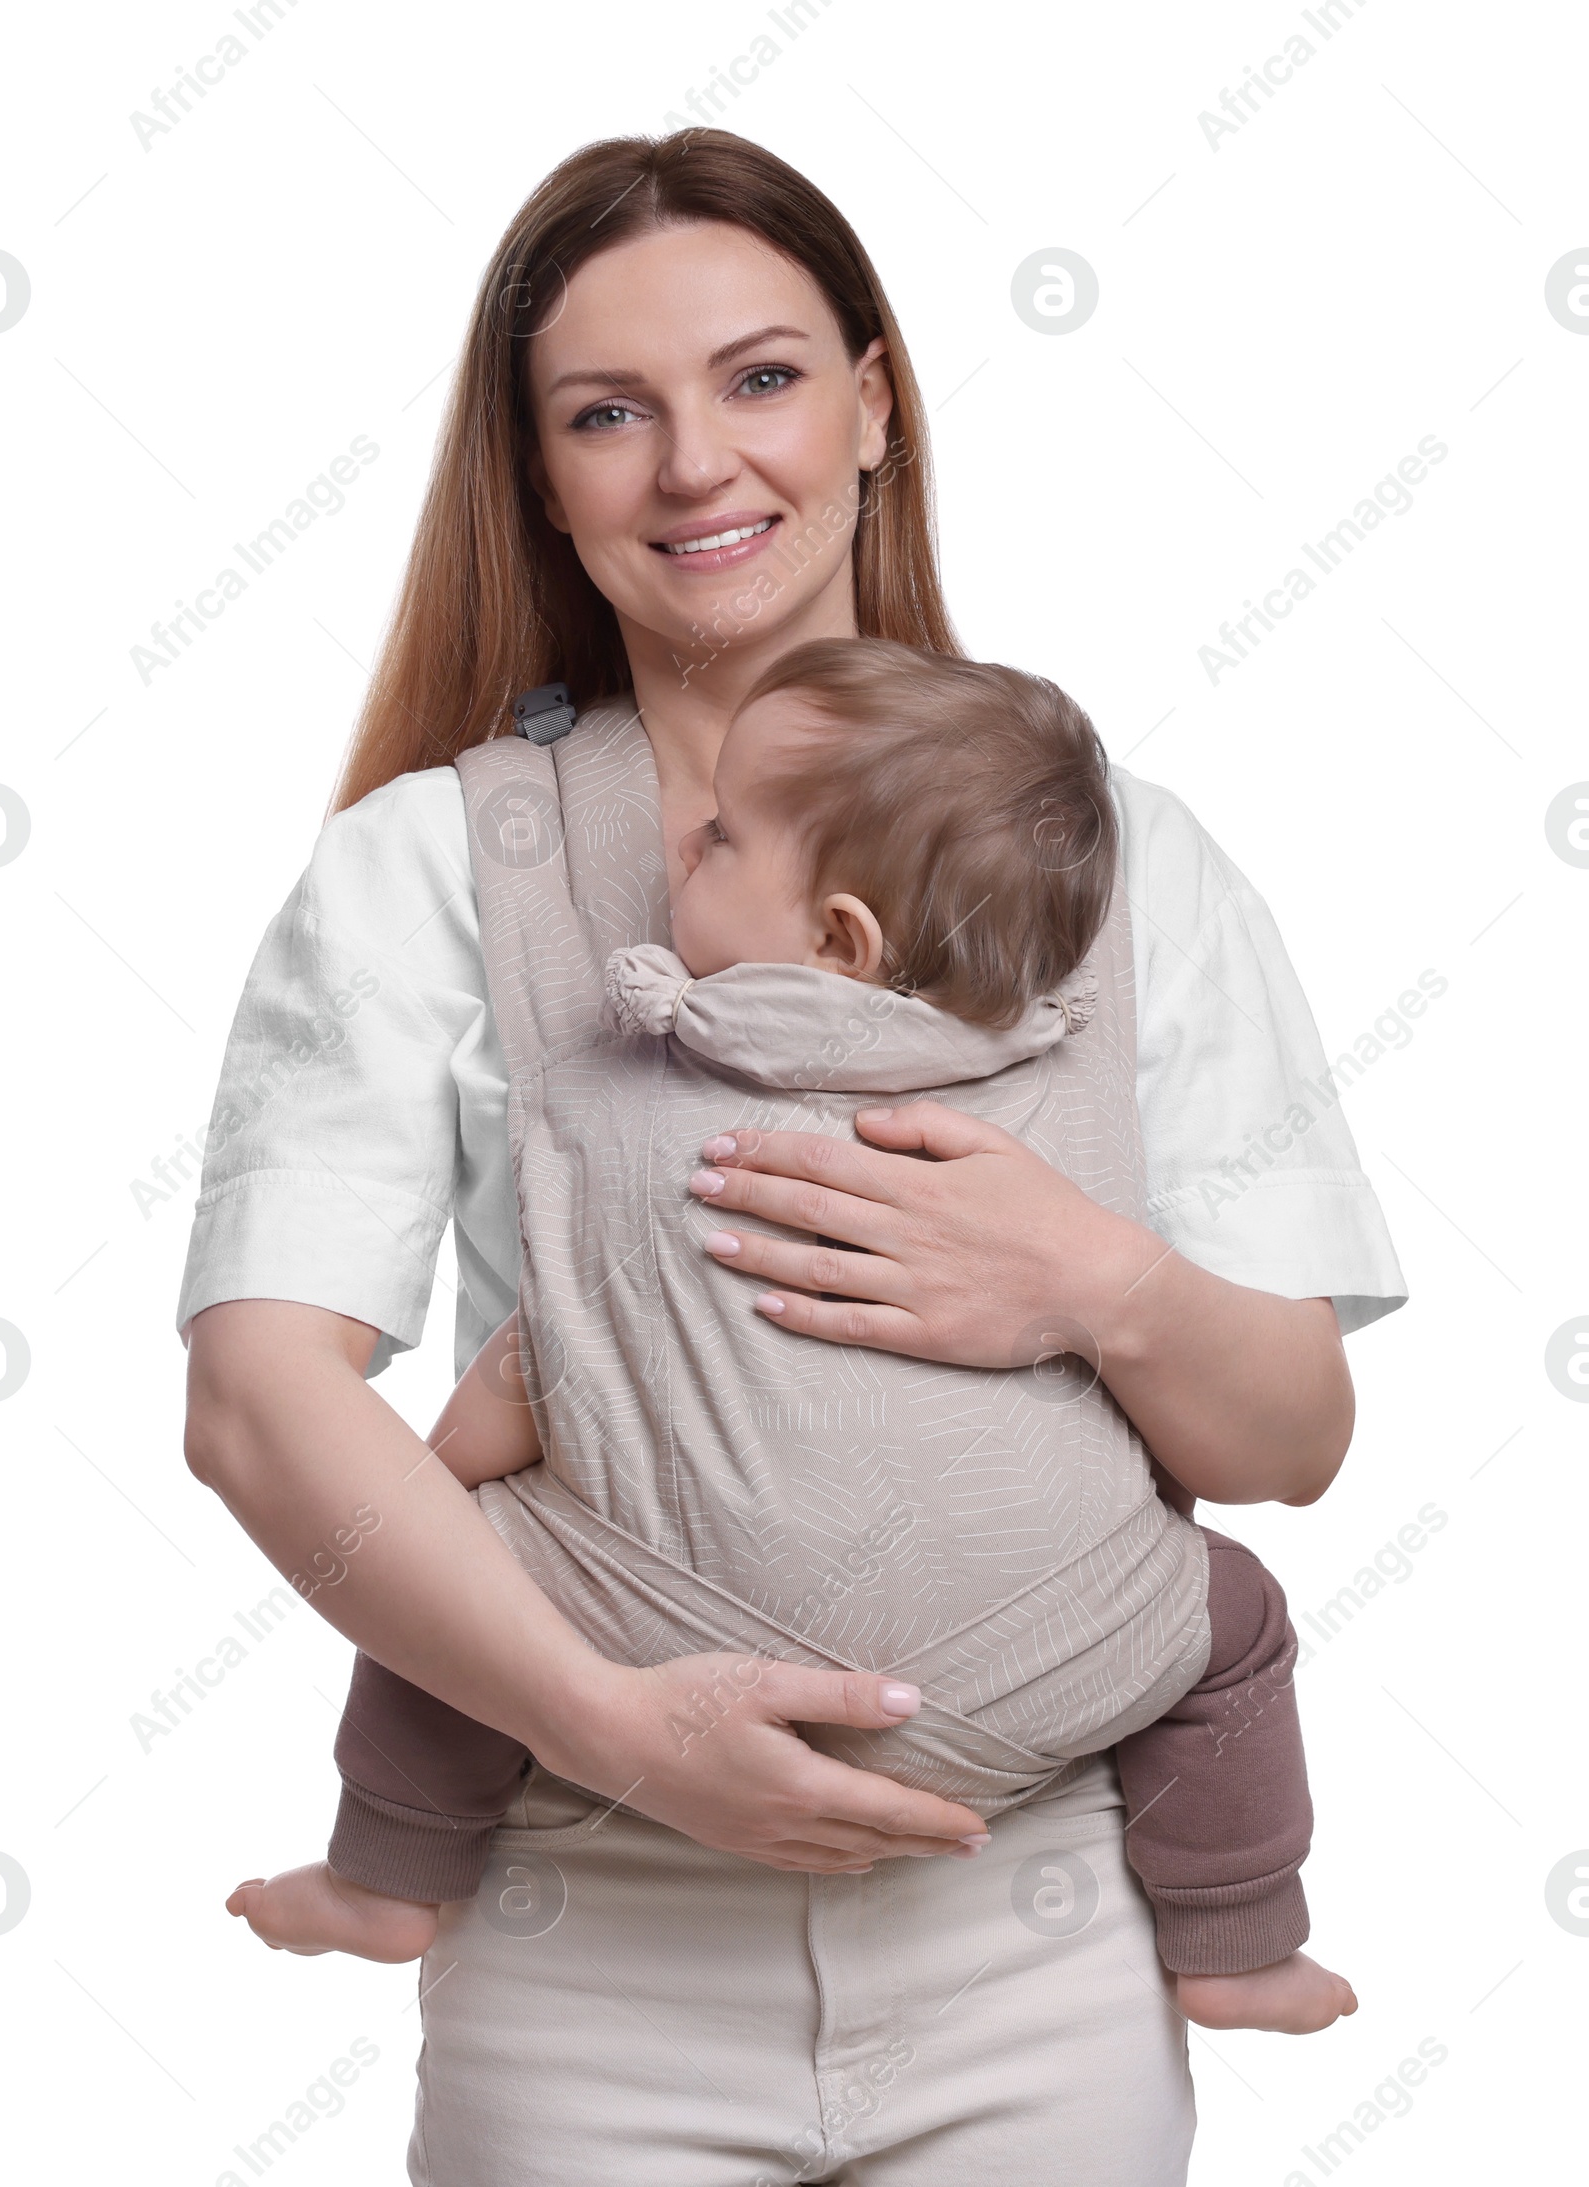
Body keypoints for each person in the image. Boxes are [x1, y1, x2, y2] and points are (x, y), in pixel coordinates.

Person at [182, 130, 1404, 2185]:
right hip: (594, 1937)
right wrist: (602, 1721)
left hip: (1037, 1944)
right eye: (605, 413)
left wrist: (1095, 1283)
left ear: (872, 401)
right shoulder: (425, 870)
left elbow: (1288, 1438)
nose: (691, 466)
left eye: (756, 378)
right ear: (539, 471)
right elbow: (253, 1397)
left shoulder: (1125, 866)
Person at [228, 637, 1352, 2039]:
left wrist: (459, 1480)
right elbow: (1288, 1460)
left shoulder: (639, 1083)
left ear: (837, 938)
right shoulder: (1044, 1062)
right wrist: (1107, 1285)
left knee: (439, 1571)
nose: (683, 832)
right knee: (1234, 1626)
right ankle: (1239, 1941)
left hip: (650, 1640)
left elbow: (542, 1368)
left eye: (723, 835)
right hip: (1048, 1663)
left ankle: (386, 1877)